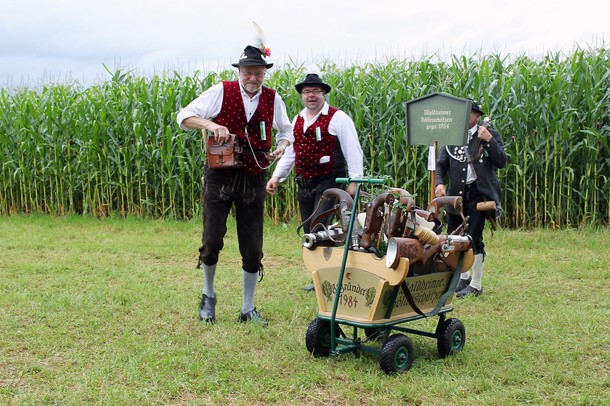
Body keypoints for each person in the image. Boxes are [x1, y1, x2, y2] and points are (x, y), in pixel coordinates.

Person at [177, 45, 293, 326]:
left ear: (265, 73)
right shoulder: (222, 90)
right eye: (248, 72)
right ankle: (208, 296)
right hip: (220, 176)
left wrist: (281, 145)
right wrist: (209, 124)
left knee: (253, 246)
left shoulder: (273, 98)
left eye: (258, 72)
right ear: (239, 71)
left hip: (254, 177)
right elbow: (183, 117)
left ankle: (247, 308)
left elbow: (286, 130)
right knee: (212, 239)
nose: (253, 77)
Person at [266, 73, 364, 291]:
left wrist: (355, 181)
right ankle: (319, 275)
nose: (311, 96)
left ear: (324, 93)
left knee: (318, 227)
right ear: (302, 95)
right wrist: (276, 176)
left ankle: (325, 277)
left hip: (330, 182)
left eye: (315, 91)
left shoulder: (338, 118)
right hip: (305, 183)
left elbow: (353, 150)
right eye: (306, 92)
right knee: (310, 230)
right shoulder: (298, 120)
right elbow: (291, 153)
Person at [434, 99, 507, 297]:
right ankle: (463, 277)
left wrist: (489, 140)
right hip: (456, 195)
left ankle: (476, 283)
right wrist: (440, 183)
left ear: (477, 116)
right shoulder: (452, 137)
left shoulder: (488, 134)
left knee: (474, 238)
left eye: (470, 113)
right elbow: (441, 165)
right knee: (455, 237)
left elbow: (501, 161)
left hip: (478, 194)